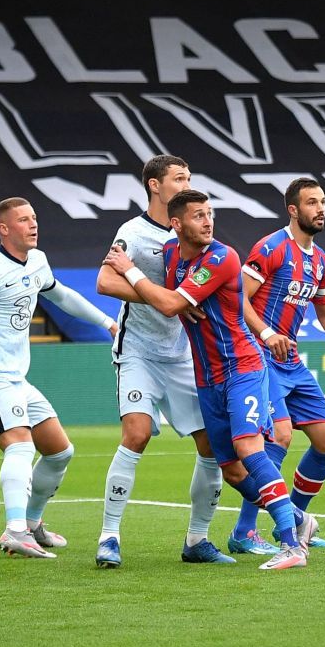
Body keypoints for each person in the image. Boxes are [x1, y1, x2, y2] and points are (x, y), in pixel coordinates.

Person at [104, 191, 307, 570]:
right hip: (207, 376)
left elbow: (168, 304)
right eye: (199, 216)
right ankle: (296, 517)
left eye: (209, 214)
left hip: (243, 367)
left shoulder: (221, 256)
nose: (208, 221)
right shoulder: (171, 255)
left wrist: (130, 269)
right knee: (229, 469)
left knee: (249, 448)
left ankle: (291, 544)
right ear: (177, 224)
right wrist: (178, 298)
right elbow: (165, 295)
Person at [0, 198, 117, 558]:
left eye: (34, 218)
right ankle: (14, 530)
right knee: (21, 446)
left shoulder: (37, 261)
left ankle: (34, 525)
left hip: (17, 380)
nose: (33, 224)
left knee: (59, 452)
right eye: (23, 220)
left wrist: (107, 322)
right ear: (4, 229)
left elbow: (62, 296)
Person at [90, 155, 234, 567]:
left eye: (189, 175)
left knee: (211, 445)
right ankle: (109, 536)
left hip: (183, 352)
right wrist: (161, 297)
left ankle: (197, 540)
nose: (187, 181)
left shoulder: (190, 230)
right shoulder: (131, 232)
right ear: (155, 185)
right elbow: (104, 280)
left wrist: (174, 302)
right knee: (136, 434)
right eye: (179, 177)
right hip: (138, 349)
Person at [238, 178, 325, 555]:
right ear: (293, 209)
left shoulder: (320, 261)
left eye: (323, 202)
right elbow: (239, 300)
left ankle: (297, 520)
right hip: (260, 357)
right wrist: (266, 333)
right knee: (279, 436)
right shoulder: (270, 248)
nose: (321, 209)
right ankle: (245, 531)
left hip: (291, 361)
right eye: (312, 202)